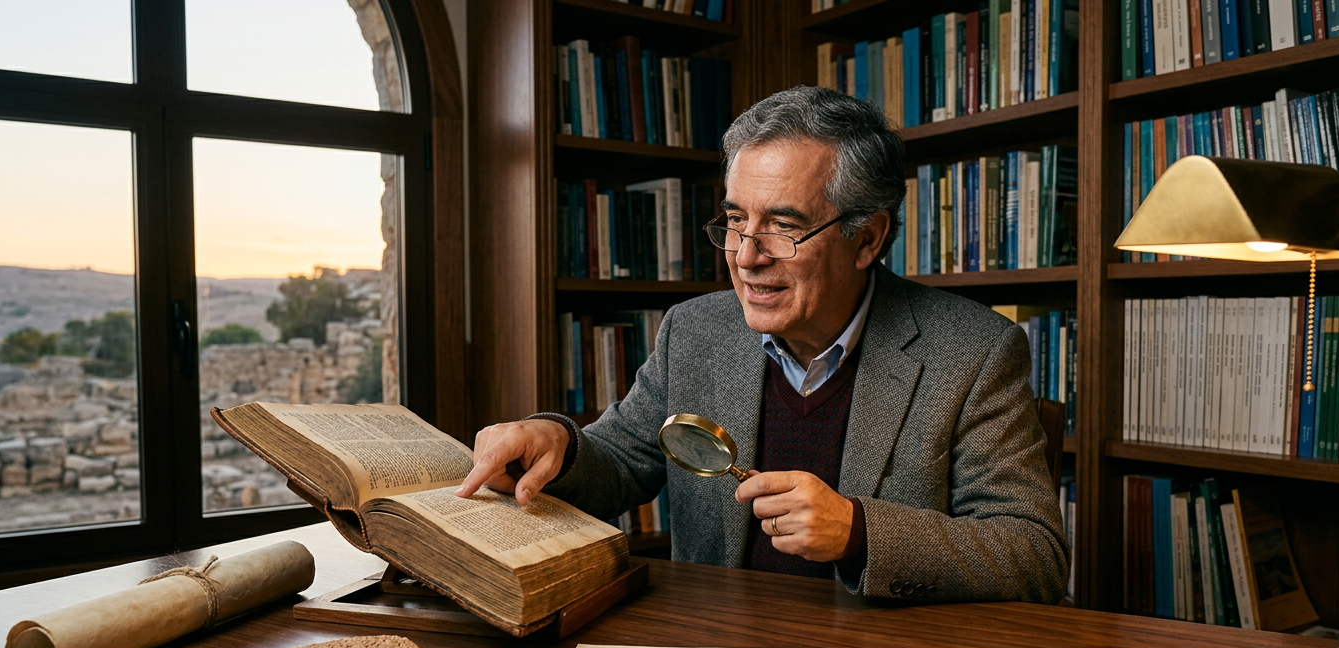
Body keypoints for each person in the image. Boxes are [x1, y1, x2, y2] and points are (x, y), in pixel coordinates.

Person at [458, 85, 1068, 603]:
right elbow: (618, 465)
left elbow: (1034, 554)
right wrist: (557, 444)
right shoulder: (694, 331)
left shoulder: (975, 350)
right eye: (734, 221)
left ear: (867, 239)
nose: (746, 257)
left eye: (783, 226)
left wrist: (860, 533)